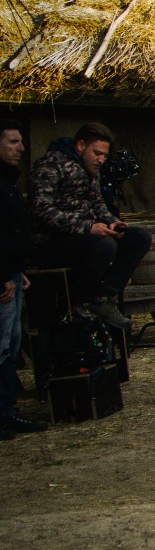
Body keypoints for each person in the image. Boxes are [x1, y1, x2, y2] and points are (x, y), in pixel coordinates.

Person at [28, 121, 151, 331]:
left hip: (85, 237)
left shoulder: (91, 169)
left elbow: (97, 203)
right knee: (104, 245)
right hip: (52, 241)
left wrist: (112, 222)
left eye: (104, 155)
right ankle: (78, 303)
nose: (101, 159)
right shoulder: (50, 165)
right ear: (81, 145)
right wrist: (88, 228)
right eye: (97, 153)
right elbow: (41, 210)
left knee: (139, 237)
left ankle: (102, 298)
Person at [0, 116, 45, 438]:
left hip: (12, 275)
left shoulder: (8, 182)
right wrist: (3, 274)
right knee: (2, 346)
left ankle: (8, 412)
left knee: (11, 346)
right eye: (13, 142)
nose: (21, 148)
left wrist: (18, 270)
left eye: (20, 141)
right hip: (2, 279)